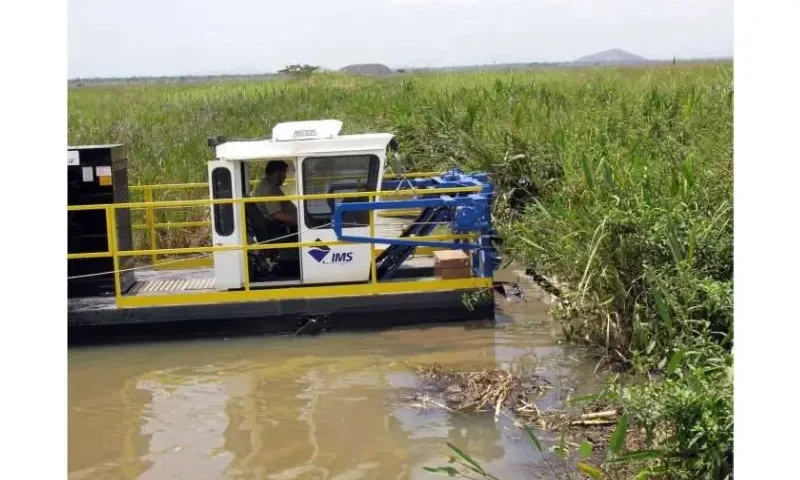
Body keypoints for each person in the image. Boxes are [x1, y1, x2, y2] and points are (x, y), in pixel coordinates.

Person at [253, 160, 298, 228]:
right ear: (276, 173)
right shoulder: (267, 189)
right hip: (284, 227)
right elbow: (277, 215)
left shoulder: (270, 185)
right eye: (284, 173)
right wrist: (299, 220)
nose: (285, 177)